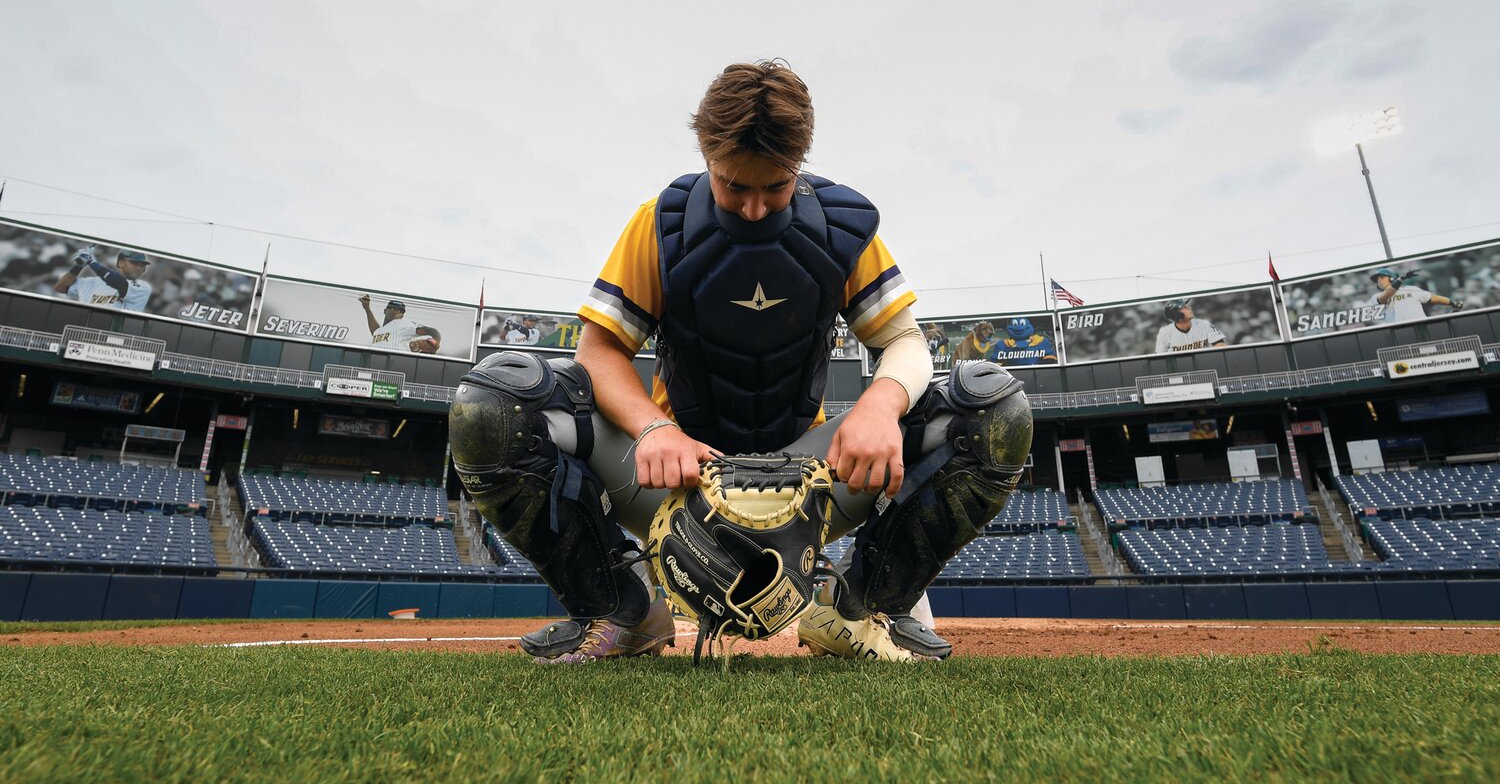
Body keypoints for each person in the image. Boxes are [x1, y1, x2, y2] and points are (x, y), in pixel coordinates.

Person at [449, 60, 1032, 665]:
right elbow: (598, 349)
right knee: (497, 403)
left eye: (774, 188)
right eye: (733, 186)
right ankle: (620, 611)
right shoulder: (661, 223)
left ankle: (858, 608)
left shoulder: (839, 228)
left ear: (799, 165)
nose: (753, 209)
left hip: (809, 480)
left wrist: (881, 406)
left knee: (990, 409)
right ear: (706, 157)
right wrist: (655, 427)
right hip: (678, 480)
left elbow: (906, 341)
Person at [53, 248, 153, 312]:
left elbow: (117, 282)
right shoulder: (93, 282)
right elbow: (60, 287)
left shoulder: (143, 287)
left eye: (143, 265)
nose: (139, 268)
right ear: (121, 263)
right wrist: (79, 265)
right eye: (135, 263)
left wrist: (91, 261)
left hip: (114, 336)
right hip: (83, 329)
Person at [1369, 267, 1464, 324]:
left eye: (1381, 277)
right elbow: (1385, 297)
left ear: (1392, 278)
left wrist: (1453, 303)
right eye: (1377, 280)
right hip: (1400, 330)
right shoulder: (1376, 296)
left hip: (1423, 325)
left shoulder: (1411, 289)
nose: (1378, 281)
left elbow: (1434, 298)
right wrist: (1400, 279)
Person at [360, 294, 441, 354]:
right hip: (376, 364)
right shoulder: (380, 330)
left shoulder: (403, 324)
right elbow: (375, 331)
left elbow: (433, 332)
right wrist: (367, 308)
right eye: (392, 308)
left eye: (399, 311)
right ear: (385, 311)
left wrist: (433, 344)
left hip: (396, 364)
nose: (395, 311)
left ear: (402, 314)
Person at [1155, 299, 1227, 354]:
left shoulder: (1204, 324)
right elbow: (1159, 357)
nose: (1189, 308)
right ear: (1177, 315)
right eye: (1184, 308)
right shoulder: (1165, 333)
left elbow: (1220, 344)